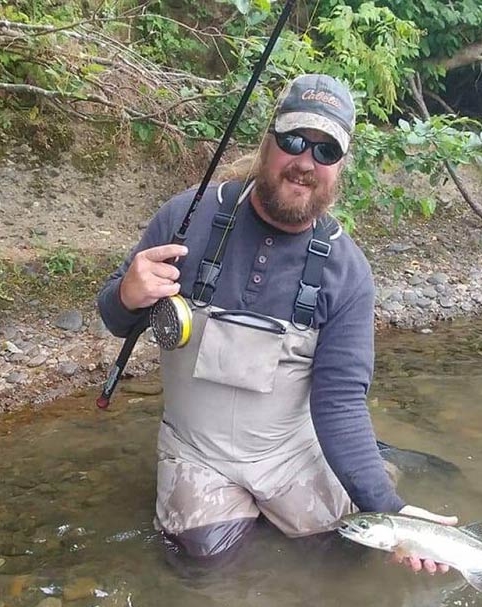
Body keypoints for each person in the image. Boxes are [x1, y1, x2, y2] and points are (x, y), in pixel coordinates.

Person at [97, 74, 455, 571]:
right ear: (268, 142)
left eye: (325, 151)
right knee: (202, 565)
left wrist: (392, 513)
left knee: (345, 557)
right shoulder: (189, 217)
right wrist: (126, 294)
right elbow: (115, 319)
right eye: (293, 141)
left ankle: (378, 468)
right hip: (197, 451)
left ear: (339, 168)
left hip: (292, 453)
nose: (306, 162)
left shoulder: (347, 271)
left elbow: (340, 401)